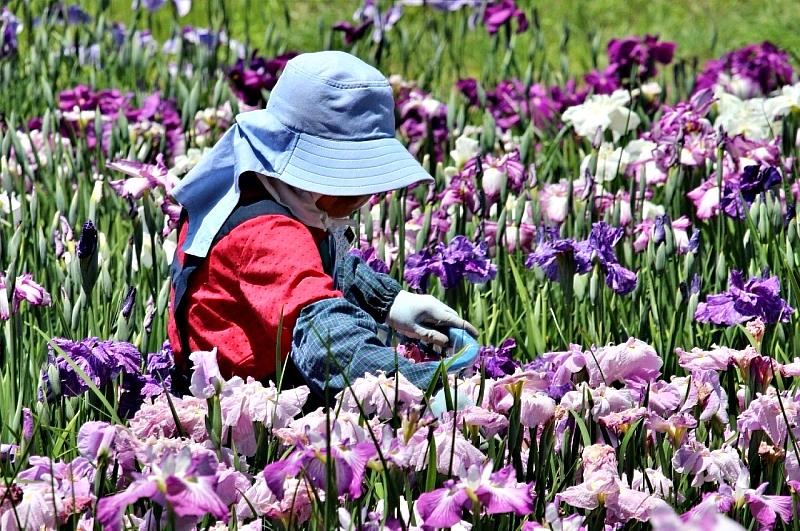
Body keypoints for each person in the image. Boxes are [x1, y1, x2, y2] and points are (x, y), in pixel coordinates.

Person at [167, 51, 477, 400]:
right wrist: (420, 385)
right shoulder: (267, 236)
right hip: (242, 416)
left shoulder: (260, 187)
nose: (368, 193)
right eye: (355, 177)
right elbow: (327, 337)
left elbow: (316, 266)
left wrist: (389, 301)